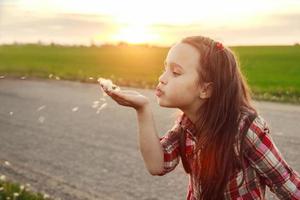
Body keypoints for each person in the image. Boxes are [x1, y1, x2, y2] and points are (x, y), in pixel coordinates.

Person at [101, 36, 300, 200]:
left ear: (205, 89)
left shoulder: (245, 128)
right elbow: (157, 164)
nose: (162, 77)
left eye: (176, 72)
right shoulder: (186, 124)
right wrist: (142, 108)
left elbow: (286, 185)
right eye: (165, 68)